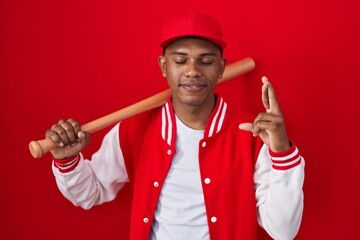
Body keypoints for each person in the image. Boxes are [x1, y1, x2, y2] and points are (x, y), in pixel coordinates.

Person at [46, 12, 304, 240]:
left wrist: (281, 153)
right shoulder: (134, 129)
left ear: (221, 68)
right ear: (163, 66)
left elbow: (283, 231)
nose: (193, 71)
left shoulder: (252, 134)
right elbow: (91, 192)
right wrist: (68, 161)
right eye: (180, 61)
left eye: (206, 61)